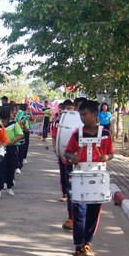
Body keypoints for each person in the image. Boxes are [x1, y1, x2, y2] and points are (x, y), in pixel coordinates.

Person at [64, 99, 114, 256]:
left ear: (94, 114)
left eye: (85, 114)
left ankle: (87, 243)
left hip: (97, 176)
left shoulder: (105, 133)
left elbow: (111, 153)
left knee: (93, 211)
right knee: (79, 212)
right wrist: (72, 157)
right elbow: (67, 152)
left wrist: (106, 156)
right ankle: (78, 248)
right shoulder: (76, 134)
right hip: (80, 176)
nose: (82, 118)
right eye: (81, 115)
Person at [51, 99, 77, 230]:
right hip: (65, 153)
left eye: (72, 108)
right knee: (65, 176)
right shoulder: (59, 120)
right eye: (68, 108)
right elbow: (56, 135)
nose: (70, 111)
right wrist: (57, 150)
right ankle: (65, 194)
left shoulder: (78, 122)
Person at [0, 104, 24, 195]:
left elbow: (21, 134)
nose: (13, 113)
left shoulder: (13, 123)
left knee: (10, 167)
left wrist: (12, 141)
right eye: (10, 112)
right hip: (0, 148)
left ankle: (9, 186)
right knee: (1, 168)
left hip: (11, 148)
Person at [15, 103, 30, 169]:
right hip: (15, 134)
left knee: (22, 148)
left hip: (22, 133)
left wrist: (23, 124)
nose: (17, 111)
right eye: (16, 109)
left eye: (18, 109)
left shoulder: (24, 117)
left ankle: (21, 162)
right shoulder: (13, 118)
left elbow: (26, 129)